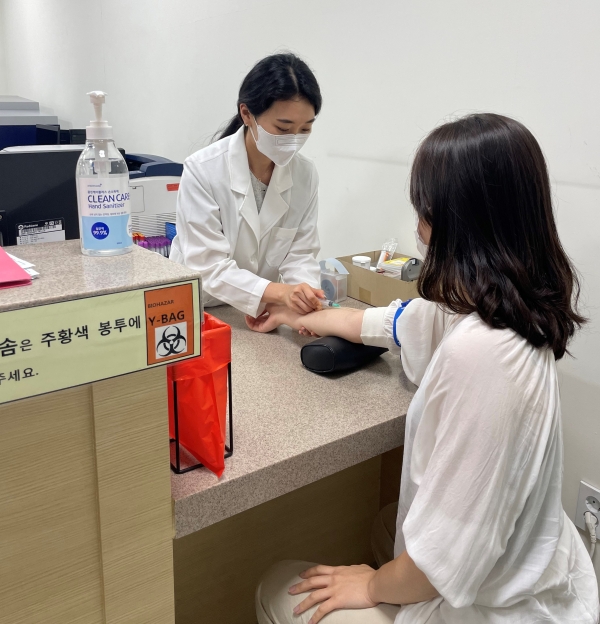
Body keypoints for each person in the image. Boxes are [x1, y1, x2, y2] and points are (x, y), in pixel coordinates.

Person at [247, 114, 600, 624]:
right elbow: (386, 322)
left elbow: (440, 564)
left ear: (458, 224)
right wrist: (296, 315)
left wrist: (371, 584)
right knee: (388, 522)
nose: (417, 225)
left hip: (489, 609)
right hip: (536, 565)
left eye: (425, 211)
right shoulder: (509, 307)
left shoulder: (482, 356)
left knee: (278, 583)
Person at [170, 53, 325, 318]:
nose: (293, 141)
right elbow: (208, 267)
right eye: (283, 128)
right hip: (200, 308)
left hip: (263, 309)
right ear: (247, 114)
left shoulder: (305, 174)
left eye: (304, 130)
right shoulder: (203, 170)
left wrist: (306, 298)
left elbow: (300, 254)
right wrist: (282, 293)